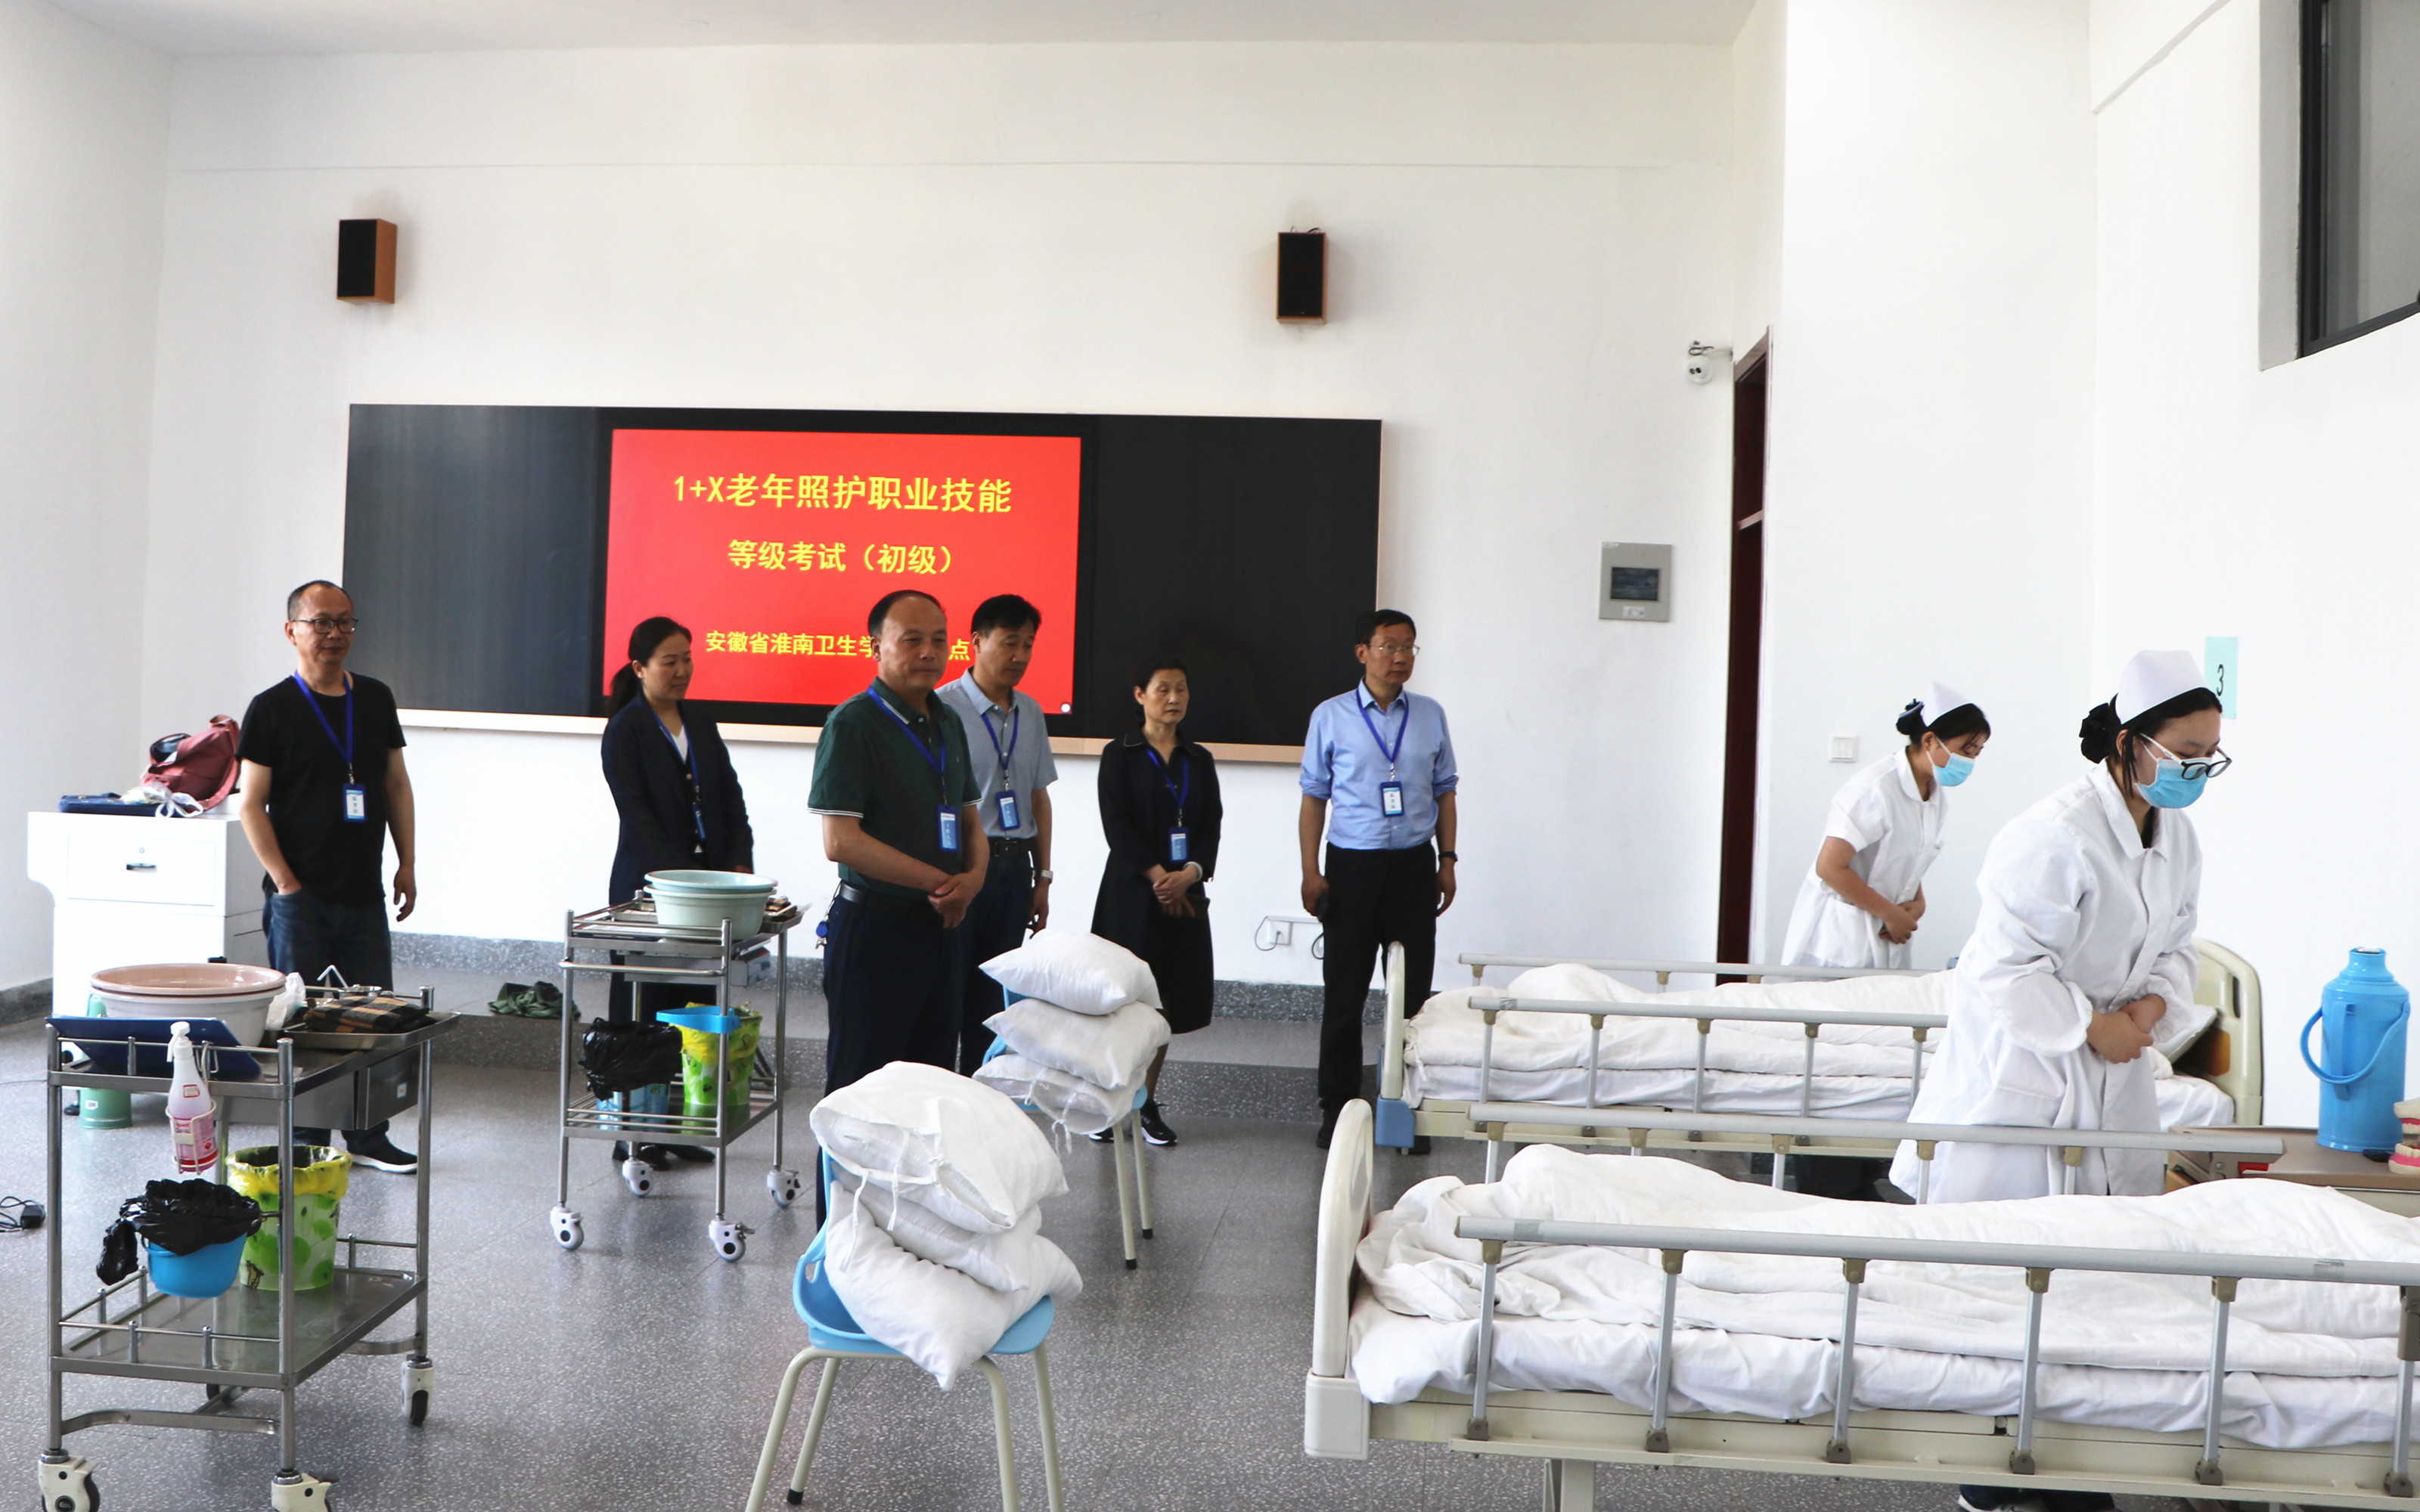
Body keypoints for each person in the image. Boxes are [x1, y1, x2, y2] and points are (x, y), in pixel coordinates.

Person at [1894, 649, 2226, 1210]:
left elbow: (2176, 945)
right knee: (2001, 1238)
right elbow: (2006, 968)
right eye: (2185, 754)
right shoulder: (2055, 834)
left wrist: (2152, 1008)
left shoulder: (2179, 837)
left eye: (2209, 757)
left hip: (2118, 1057)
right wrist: (2094, 1026)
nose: (2196, 770)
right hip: (2029, 1061)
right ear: (2130, 742)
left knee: (2105, 1232)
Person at [234, 581, 419, 1174]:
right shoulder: (271, 707)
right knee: (304, 1021)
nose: (335, 634)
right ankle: (306, 1140)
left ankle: (367, 1134)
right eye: (321, 623)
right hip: (300, 895)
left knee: (372, 1016)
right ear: (292, 631)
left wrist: (407, 861)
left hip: (363, 889)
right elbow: (250, 804)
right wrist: (286, 882)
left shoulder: (375, 698)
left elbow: (395, 784)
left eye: (345, 622)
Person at [808, 590, 986, 1111]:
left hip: (943, 930)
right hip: (877, 932)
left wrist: (973, 880)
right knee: (860, 1095)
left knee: (930, 1092)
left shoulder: (948, 721)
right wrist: (941, 884)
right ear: (876, 647)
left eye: (938, 640)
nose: (929, 652)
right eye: (911, 640)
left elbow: (970, 819)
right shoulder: (853, 723)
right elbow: (841, 841)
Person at [1300, 609, 1458, 1151]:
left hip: (1413, 866)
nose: (1400, 657)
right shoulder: (1331, 716)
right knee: (1344, 993)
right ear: (1362, 652)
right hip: (1352, 867)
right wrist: (1311, 871)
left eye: (1409, 647)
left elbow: (1445, 792)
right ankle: (1337, 1109)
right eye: (1389, 646)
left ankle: (1407, 1111)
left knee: (1413, 999)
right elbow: (1313, 798)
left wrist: (1447, 860)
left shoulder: (1431, 715)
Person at [600, 614, 753, 1166]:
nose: (683, 670)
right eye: (670, 661)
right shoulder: (626, 730)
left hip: (709, 894)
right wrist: (689, 882)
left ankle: (680, 1125)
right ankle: (634, 1130)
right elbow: (638, 818)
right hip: (650, 894)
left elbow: (730, 797)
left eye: (688, 658)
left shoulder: (700, 720)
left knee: (693, 1010)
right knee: (644, 1013)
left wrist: (737, 867)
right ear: (640, 668)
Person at [1091, 655, 1222, 1146]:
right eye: (1163, 688)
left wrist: (1188, 874)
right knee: (1124, 1001)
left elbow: (1210, 827)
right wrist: (1157, 877)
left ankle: (1145, 1102)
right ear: (1140, 694)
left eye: (1181, 689)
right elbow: (1117, 825)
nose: (1173, 698)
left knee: (1168, 1000)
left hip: (1185, 893)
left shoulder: (1198, 759)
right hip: (1131, 894)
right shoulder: (1119, 754)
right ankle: (1109, 1102)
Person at [1780, 683, 1991, 971]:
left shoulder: (1933, 796)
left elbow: (1907, 859)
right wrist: (1890, 913)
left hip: (1889, 929)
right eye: (1965, 750)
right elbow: (1829, 867)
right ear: (1930, 740)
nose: (1970, 761)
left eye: (1977, 752)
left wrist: (1918, 903)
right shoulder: (1874, 789)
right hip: (1841, 935)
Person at [938, 595, 1059, 1074]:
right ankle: (939, 1093)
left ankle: (980, 1092)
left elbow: (1037, 798)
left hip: (1013, 869)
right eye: (1010, 643)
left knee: (994, 1001)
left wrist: (1043, 877)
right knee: (947, 991)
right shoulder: (943, 707)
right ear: (977, 642)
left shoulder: (1030, 711)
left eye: (1028, 645)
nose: (1020, 656)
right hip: (962, 867)